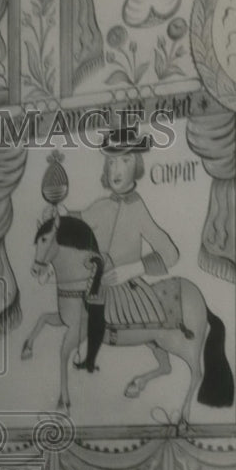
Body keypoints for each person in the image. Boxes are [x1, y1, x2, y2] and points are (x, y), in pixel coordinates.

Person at [70, 130, 179, 373]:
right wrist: (57, 217)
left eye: (125, 160)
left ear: (137, 165)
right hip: (94, 280)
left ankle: (90, 360)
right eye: (111, 162)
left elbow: (170, 253)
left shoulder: (138, 208)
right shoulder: (101, 206)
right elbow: (78, 218)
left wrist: (132, 269)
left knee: (96, 311)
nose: (116, 170)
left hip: (124, 288)